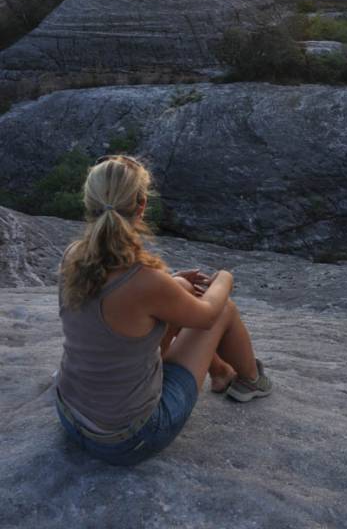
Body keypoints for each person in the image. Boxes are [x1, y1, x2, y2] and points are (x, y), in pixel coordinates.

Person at [54, 153, 272, 466]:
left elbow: (127, 304)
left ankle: (222, 371)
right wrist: (225, 277)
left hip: (71, 417)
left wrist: (172, 285)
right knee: (223, 308)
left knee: (180, 292)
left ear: (89, 203)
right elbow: (209, 314)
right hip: (126, 440)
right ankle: (251, 381)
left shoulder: (72, 257)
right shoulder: (144, 281)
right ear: (141, 205)